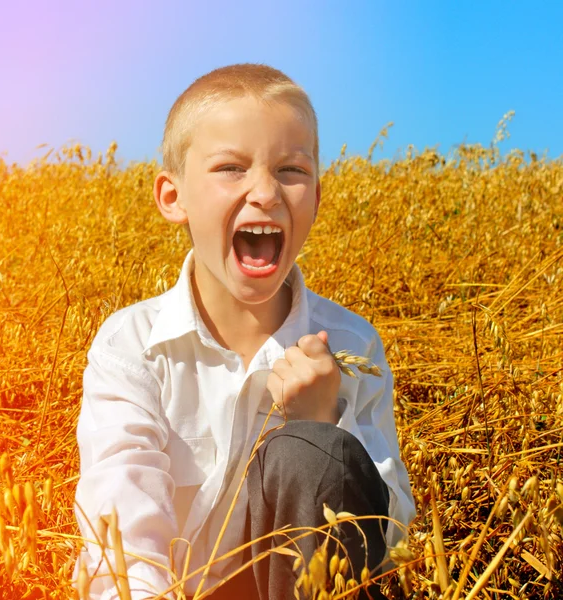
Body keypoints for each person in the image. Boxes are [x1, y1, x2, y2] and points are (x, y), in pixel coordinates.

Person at [73, 63, 416, 600]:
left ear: (318, 197)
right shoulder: (131, 346)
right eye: (231, 168)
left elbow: (390, 537)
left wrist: (321, 423)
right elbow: (121, 532)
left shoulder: (350, 345)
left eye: (291, 170)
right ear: (172, 197)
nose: (265, 192)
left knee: (313, 451)